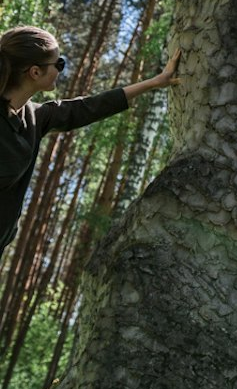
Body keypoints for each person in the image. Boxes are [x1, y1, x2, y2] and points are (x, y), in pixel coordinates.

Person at [2, 26, 180, 255]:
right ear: (35, 72)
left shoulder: (33, 117)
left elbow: (87, 108)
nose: (61, 70)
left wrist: (154, 82)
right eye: (59, 64)